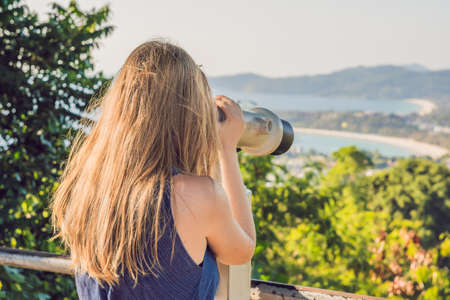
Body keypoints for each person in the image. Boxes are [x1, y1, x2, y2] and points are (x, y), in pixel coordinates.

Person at [49, 40, 256, 300]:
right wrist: (226, 149)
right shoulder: (196, 195)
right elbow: (242, 249)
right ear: (189, 116)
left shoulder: (88, 190)